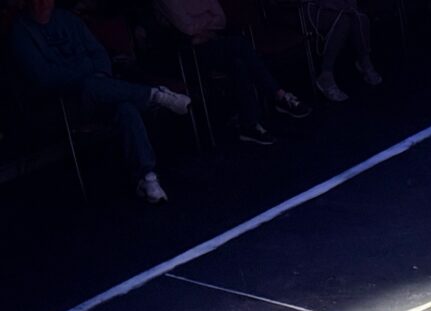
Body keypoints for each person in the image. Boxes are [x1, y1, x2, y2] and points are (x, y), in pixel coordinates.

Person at [8, 0, 193, 202]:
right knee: (90, 85)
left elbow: (101, 57)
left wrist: (84, 73)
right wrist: (85, 72)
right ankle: (155, 95)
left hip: (96, 92)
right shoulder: (20, 31)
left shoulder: (68, 20)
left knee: (125, 107)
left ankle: (147, 176)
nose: (43, 3)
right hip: (59, 104)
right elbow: (45, 78)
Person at [156, 0, 311, 145]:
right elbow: (186, 27)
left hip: (214, 41)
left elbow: (221, 19)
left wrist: (202, 29)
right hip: (189, 53)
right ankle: (279, 95)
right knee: (239, 45)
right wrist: (209, 21)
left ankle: (250, 124)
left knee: (238, 63)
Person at [305, 0, 381, 102]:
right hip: (311, 7)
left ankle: (364, 61)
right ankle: (326, 75)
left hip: (336, 6)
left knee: (360, 17)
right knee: (342, 21)